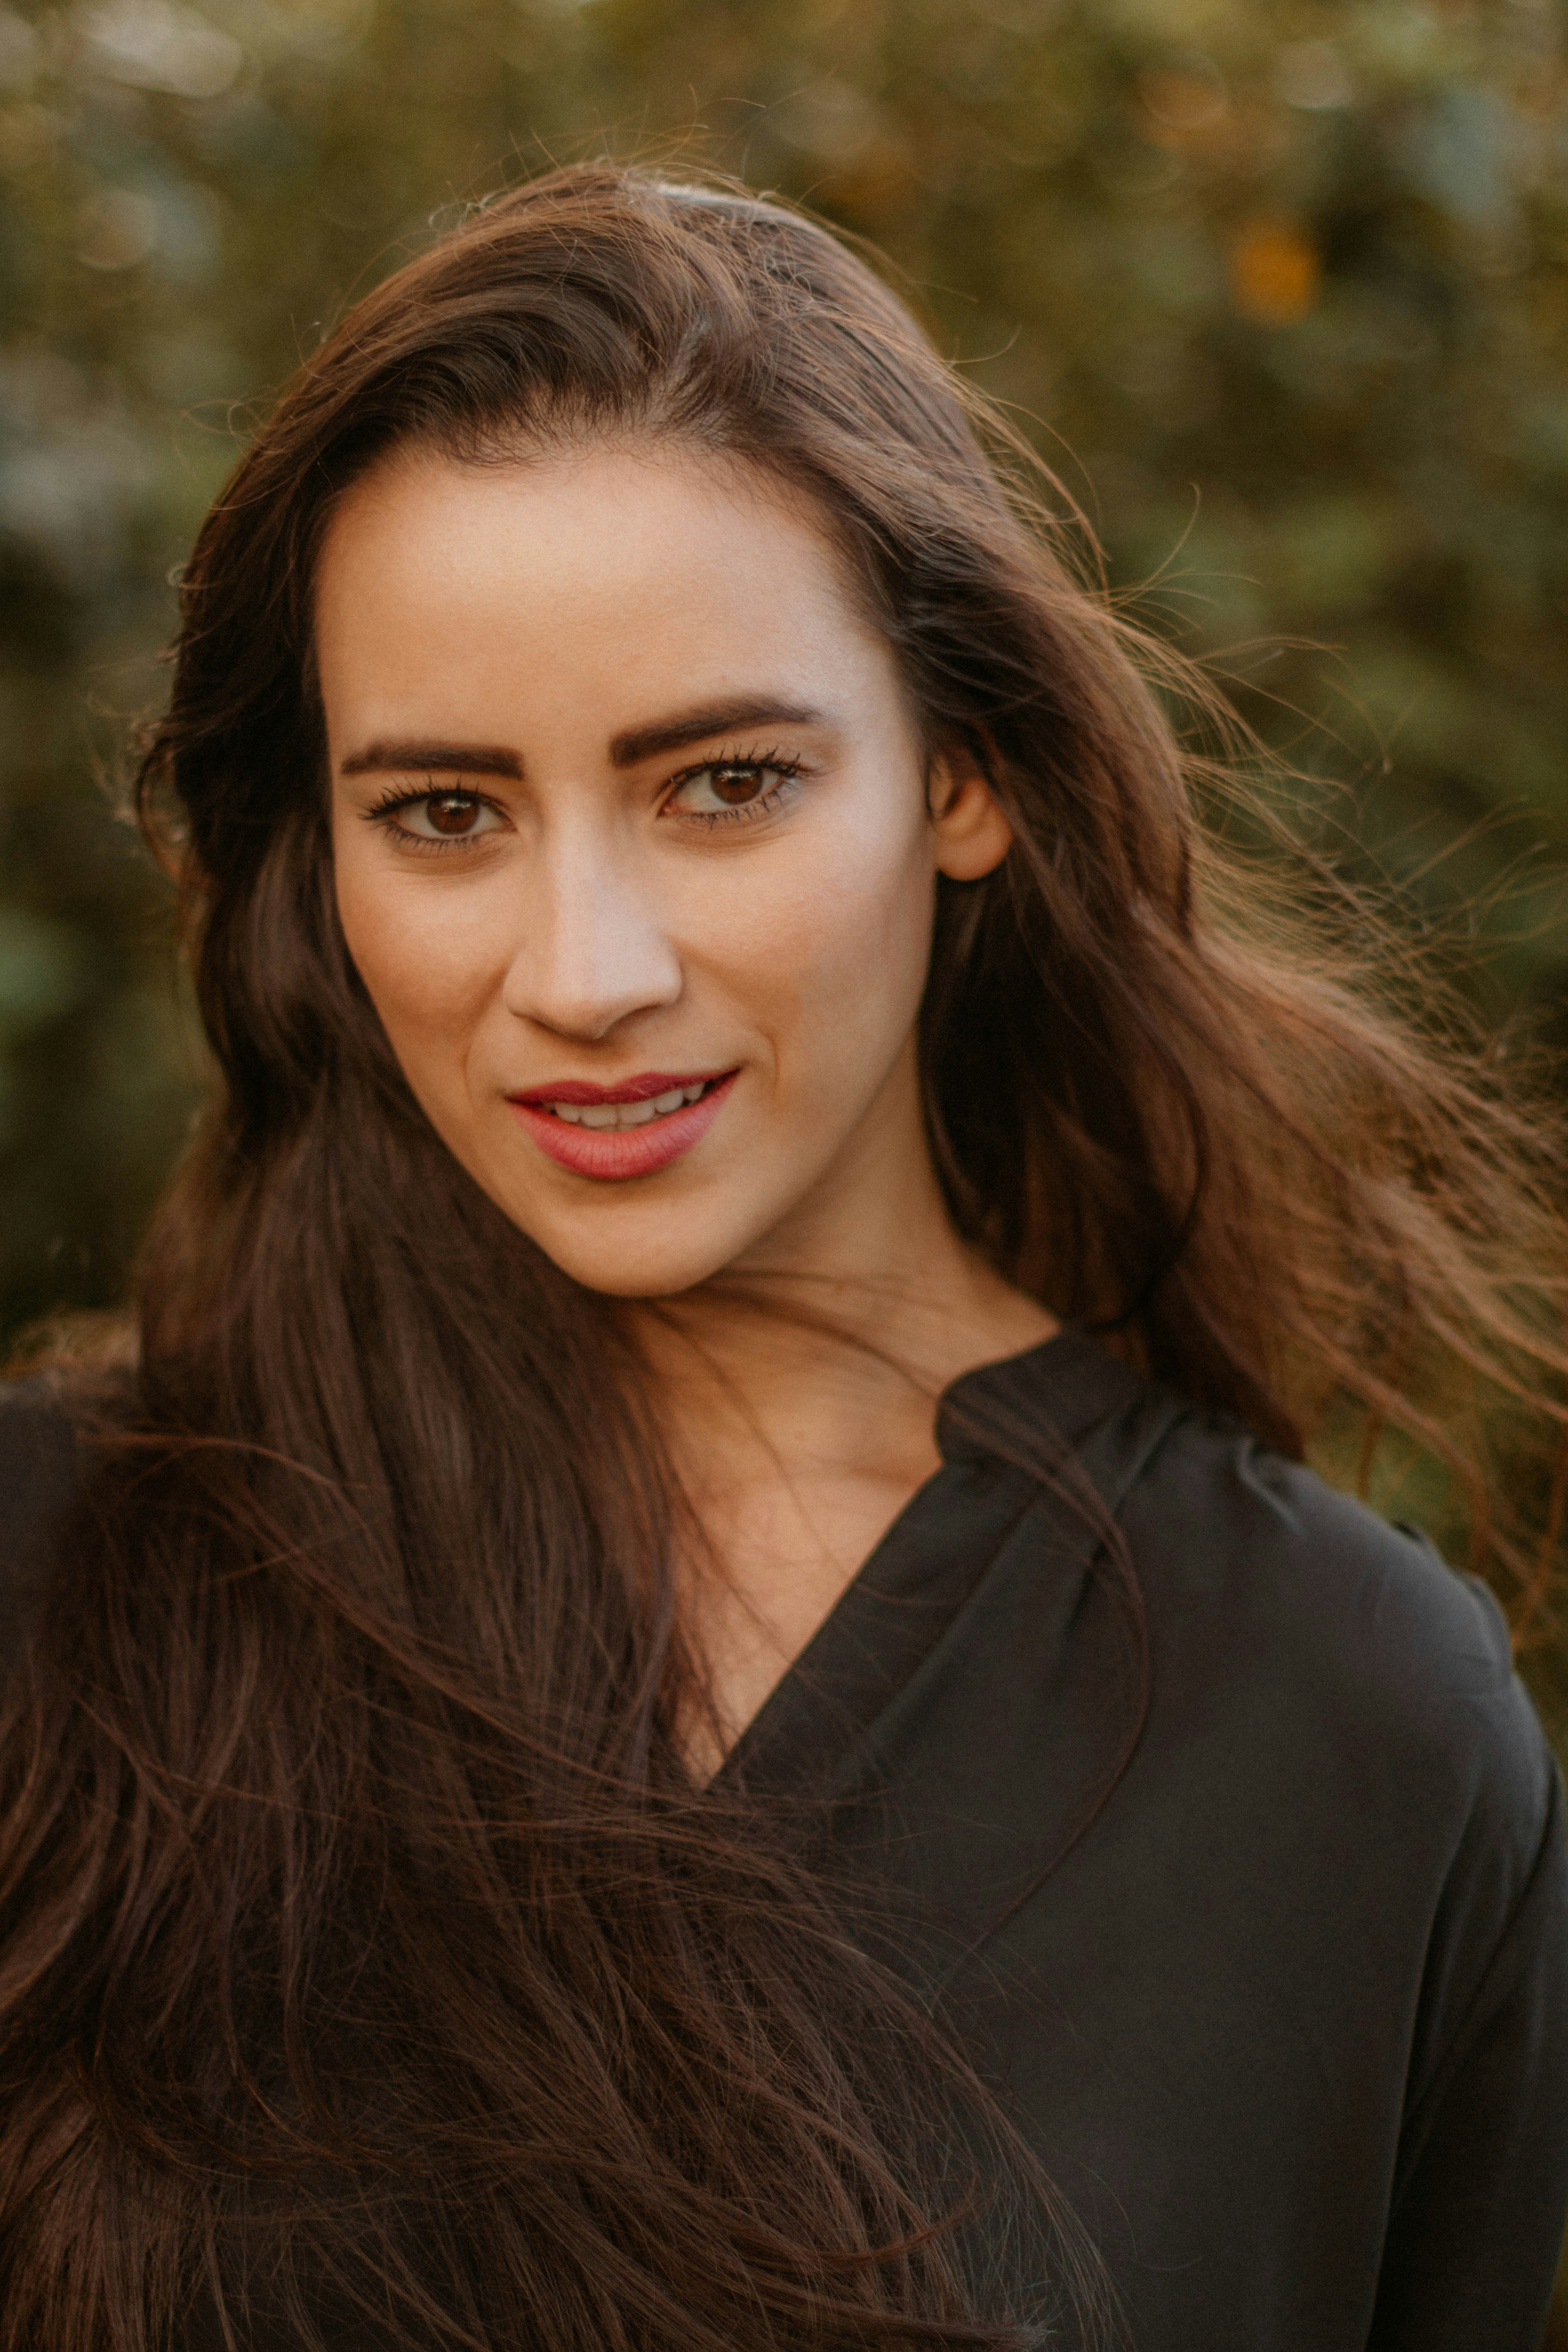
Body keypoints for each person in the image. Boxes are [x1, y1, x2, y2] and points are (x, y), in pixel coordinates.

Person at [0, 163, 1564, 2352]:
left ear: (964, 773)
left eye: (723, 784)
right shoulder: (54, 1572)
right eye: (443, 814)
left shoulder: (1346, 1728)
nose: (585, 973)